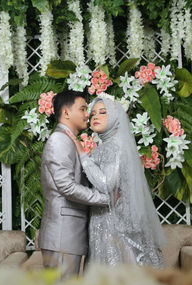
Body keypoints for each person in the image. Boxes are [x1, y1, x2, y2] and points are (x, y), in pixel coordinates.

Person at [66, 93, 166, 268]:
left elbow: (106, 184)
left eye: (103, 112)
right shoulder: (104, 147)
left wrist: (82, 154)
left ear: (114, 116)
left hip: (113, 227)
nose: (95, 116)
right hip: (102, 220)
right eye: (93, 113)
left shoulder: (115, 147)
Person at [38, 90, 108, 279]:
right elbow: (66, 187)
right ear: (67, 113)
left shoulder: (68, 139)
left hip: (69, 237)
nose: (88, 114)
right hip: (62, 237)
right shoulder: (59, 140)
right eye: (83, 108)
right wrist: (106, 199)